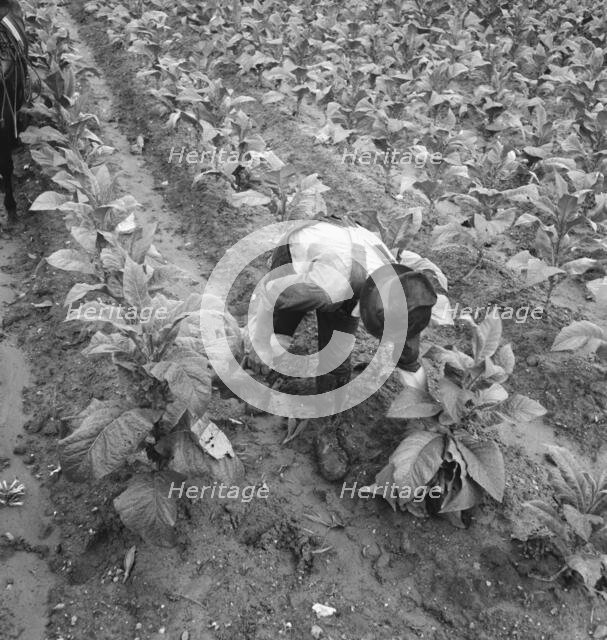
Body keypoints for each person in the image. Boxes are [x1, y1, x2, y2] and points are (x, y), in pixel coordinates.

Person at [243, 216, 437, 480]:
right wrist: (259, 336)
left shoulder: (401, 296)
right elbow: (272, 293)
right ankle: (260, 377)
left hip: (346, 260)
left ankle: (327, 427)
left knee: (336, 356)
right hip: (299, 253)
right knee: (280, 326)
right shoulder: (327, 288)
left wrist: (430, 411)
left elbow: (410, 363)